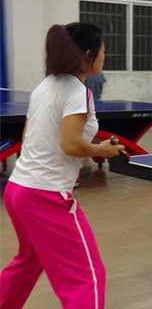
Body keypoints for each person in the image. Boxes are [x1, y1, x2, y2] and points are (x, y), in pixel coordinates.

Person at [0, 23, 125, 308]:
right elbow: (70, 145)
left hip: (19, 189)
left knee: (28, 261)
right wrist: (102, 150)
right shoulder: (77, 91)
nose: (105, 57)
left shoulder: (44, 86)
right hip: (45, 195)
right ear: (88, 55)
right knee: (87, 278)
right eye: (103, 51)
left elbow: (28, 137)